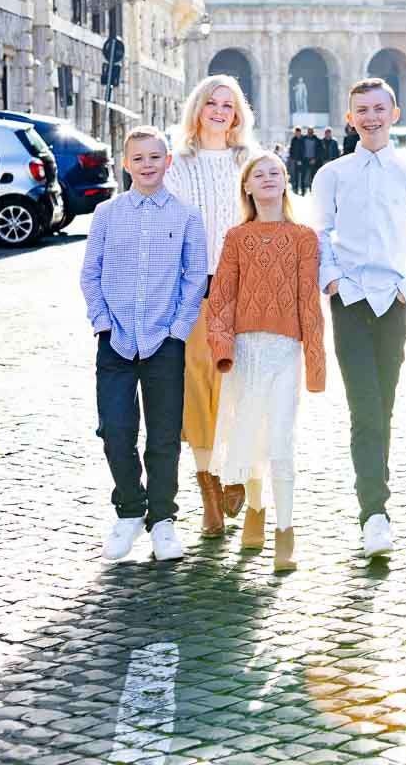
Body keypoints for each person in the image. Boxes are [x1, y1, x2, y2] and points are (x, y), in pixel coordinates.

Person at [312, 78, 406, 558]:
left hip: (394, 303)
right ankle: (374, 512)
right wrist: (332, 282)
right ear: (351, 118)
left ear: (394, 112)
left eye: (378, 109)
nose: (370, 117)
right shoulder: (333, 174)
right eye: (361, 110)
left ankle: (375, 503)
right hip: (349, 301)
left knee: (382, 408)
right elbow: (319, 232)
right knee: (364, 409)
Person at [80, 126, 207, 562]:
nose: (147, 164)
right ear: (125, 163)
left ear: (167, 161)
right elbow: (90, 274)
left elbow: (195, 277)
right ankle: (130, 511)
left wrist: (177, 328)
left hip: (164, 340)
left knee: (164, 435)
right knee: (115, 430)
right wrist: (102, 323)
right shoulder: (107, 214)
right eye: (138, 158)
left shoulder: (187, 216)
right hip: (114, 339)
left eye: (155, 157)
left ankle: (164, 520)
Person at [207, 151, 325, 571]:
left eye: (276, 171)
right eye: (260, 173)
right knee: (251, 433)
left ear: (286, 181)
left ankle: (286, 531)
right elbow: (219, 300)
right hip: (243, 352)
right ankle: (255, 508)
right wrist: (223, 350)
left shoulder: (305, 238)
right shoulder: (237, 238)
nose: (269, 177)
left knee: (279, 440)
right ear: (248, 186)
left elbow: (309, 303)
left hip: (284, 351)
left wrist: (315, 363)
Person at [164, 75, 256, 539]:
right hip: (195, 288)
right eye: (211, 103)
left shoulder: (249, 161)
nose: (219, 111)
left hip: (243, 289)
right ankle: (209, 493)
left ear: (237, 113)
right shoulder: (176, 164)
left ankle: (236, 472)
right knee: (199, 390)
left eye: (228, 104)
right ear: (197, 109)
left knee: (238, 387)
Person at [300, 126, 323, 195]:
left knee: (313, 177)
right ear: (307, 132)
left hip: (313, 160)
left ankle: (312, 190)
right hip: (305, 160)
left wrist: (315, 159)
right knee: (303, 176)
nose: (310, 133)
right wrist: (300, 159)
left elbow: (319, 151)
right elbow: (300, 150)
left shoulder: (317, 140)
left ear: (313, 132)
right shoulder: (303, 140)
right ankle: (303, 190)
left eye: (311, 131)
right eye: (309, 131)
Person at [288, 127, 304, 192]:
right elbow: (291, 149)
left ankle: (303, 189)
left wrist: (302, 159)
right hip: (295, 160)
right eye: (296, 132)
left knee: (302, 175)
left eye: (298, 132)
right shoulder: (293, 139)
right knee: (295, 175)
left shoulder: (303, 139)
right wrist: (292, 158)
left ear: (300, 132)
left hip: (303, 160)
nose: (297, 133)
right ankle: (296, 188)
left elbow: (304, 149)